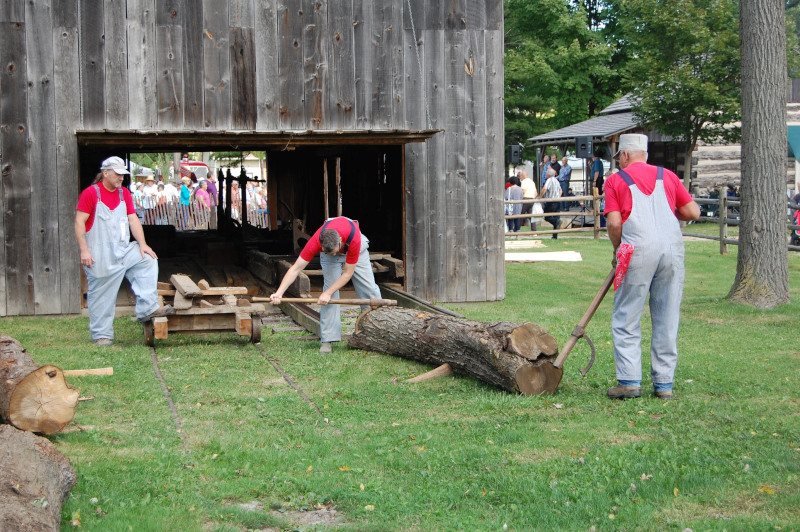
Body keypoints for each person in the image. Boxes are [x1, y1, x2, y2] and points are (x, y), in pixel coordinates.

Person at [603, 134, 700, 400]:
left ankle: (630, 381)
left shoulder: (615, 180)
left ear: (624, 155)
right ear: (644, 154)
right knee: (667, 316)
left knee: (626, 315)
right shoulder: (668, 176)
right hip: (672, 249)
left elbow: (613, 224)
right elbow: (693, 212)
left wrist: (617, 249)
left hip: (637, 249)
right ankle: (664, 384)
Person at [74, 156, 173, 346]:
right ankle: (102, 335)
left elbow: (133, 219)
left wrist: (142, 244)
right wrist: (84, 250)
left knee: (147, 259)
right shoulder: (91, 194)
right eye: (118, 174)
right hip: (99, 253)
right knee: (101, 295)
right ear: (106, 173)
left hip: (122, 250)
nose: (121, 178)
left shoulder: (124, 194)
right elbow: (79, 221)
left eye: (123, 174)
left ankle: (147, 308)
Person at [270, 216, 382, 354]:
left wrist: (327, 293)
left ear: (340, 241)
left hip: (356, 249)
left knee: (369, 289)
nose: (335, 255)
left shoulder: (354, 239)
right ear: (321, 246)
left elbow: (347, 274)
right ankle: (328, 339)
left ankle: (377, 332)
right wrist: (279, 292)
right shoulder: (315, 242)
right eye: (329, 252)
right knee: (329, 293)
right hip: (332, 251)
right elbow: (295, 269)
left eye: (335, 251)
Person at [539, 166, 562, 238]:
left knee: (546, 216)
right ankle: (555, 236)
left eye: (546, 174)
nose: (545, 175)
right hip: (557, 201)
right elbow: (561, 191)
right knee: (556, 216)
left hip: (551, 201)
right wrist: (558, 196)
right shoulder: (556, 180)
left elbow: (545, 188)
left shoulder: (549, 180)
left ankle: (556, 222)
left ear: (548, 175)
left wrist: (540, 196)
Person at [591, 151, 606, 227]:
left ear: (594, 156)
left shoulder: (597, 162)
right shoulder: (598, 161)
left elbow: (597, 171)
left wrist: (594, 180)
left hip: (598, 179)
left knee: (597, 193)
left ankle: (597, 207)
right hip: (599, 179)